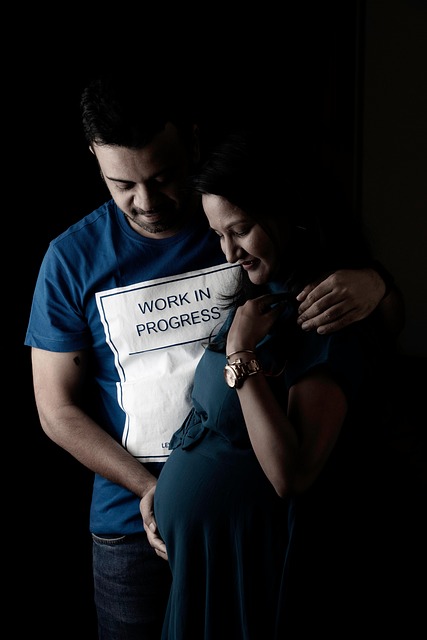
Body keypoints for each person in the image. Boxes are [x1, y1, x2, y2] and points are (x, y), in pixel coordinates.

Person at [25, 69, 402, 640]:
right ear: (95, 161)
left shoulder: (231, 215)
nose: (146, 201)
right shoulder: (71, 259)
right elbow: (56, 410)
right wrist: (147, 488)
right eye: (122, 184)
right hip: (129, 528)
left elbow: (360, 329)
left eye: (162, 176)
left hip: (246, 524)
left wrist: (378, 283)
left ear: (192, 142)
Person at [151, 129, 402, 638]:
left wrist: (240, 355)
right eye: (218, 235)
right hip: (204, 560)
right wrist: (159, 492)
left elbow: (292, 474)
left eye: (240, 230)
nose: (229, 253)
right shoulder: (262, 295)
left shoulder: (325, 317)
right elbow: (211, 418)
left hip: (249, 567)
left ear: (288, 212)